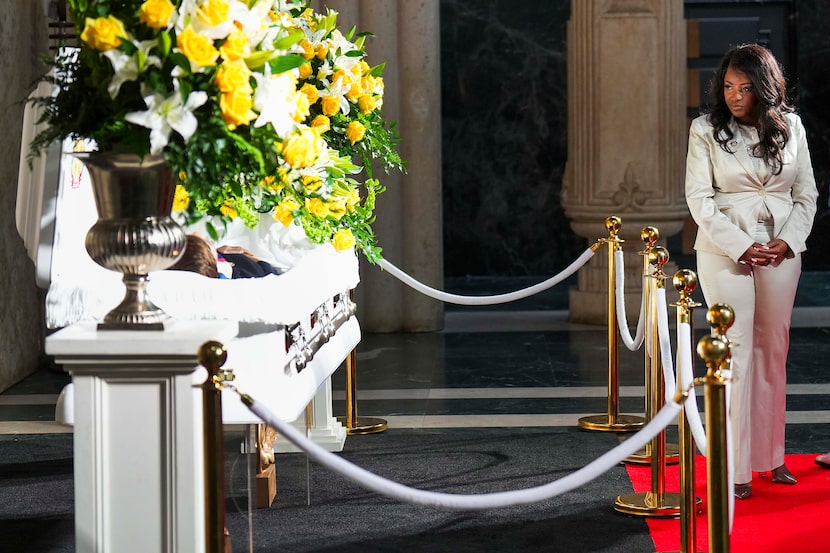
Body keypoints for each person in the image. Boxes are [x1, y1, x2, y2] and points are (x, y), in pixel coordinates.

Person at [684, 43, 818, 500]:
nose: (734, 96)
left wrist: (788, 241)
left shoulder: (792, 127)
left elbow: (807, 196)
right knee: (735, 353)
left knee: (772, 349)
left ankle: (770, 457)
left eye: (744, 87)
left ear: (765, 88)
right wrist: (742, 245)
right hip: (725, 251)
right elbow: (699, 200)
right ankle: (733, 467)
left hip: (782, 252)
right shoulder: (705, 130)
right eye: (728, 86)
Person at [170, 234, 281, 279]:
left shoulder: (208, 263)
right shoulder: (239, 272)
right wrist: (254, 259)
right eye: (208, 243)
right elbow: (271, 275)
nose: (197, 233)